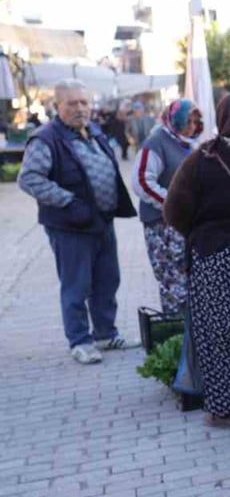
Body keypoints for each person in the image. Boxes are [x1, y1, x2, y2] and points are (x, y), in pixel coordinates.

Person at [164, 93, 230, 430]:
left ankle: (227, 413)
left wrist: (201, 233)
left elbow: (174, 210)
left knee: (221, 334)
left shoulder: (203, 158)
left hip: (215, 258)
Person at [17, 79, 139, 363]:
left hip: (101, 221)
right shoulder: (46, 138)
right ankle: (80, 341)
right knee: (76, 285)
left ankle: (106, 334)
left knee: (107, 280)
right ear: (57, 106)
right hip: (70, 225)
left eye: (84, 102)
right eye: (72, 103)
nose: (80, 108)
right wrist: (67, 200)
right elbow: (29, 179)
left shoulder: (93, 131)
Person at [134, 99, 199, 313]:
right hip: (161, 225)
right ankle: (175, 329)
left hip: (182, 223)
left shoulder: (186, 143)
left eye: (195, 122)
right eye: (187, 122)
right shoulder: (156, 143)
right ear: (175, 120)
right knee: (172, 283)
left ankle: (188, 329)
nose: (192, 127)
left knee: (185, 282)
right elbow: (142, 181)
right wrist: (172, 202)